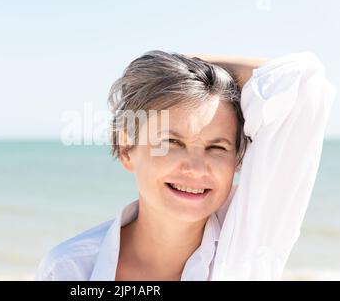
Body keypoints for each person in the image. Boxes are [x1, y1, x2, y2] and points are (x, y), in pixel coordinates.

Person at [36, 51, 336, 280]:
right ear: (127, 149)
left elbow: (304, 86)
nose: (195, 167)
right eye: (171, 143)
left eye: (217, 148)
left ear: (238, 160)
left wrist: (186, 66)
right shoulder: (72, 268)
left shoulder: (248, 242)